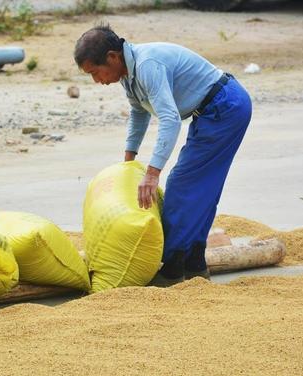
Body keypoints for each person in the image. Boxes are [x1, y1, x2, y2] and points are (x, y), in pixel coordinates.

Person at [74, 24, 252, 286]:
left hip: (225, 107)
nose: (96, 80)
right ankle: (194, 263)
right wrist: (129, 161)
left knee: (182, 183)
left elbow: (169, 120)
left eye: (95, 72)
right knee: (201, 188)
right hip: (211, 112)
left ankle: (172, 267)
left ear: (112, 57)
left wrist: (152, 173)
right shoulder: (128, 75)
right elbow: (138, 114)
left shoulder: (148, 66)